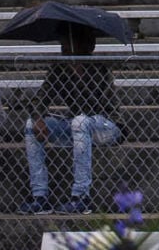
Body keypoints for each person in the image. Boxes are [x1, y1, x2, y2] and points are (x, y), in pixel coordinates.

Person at [17, 25, 124, 215]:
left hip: (107, 125)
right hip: (77, 126)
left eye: (69, 43)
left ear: (84, 45)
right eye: (63, 44)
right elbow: (40, 99)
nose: (64, 48)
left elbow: (101, 106)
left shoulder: (99, 68)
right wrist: (39, 117)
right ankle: (40, 196)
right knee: (30, 126)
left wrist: (79, 72)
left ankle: (81, 197)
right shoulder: (59, 69)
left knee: (80, 121)